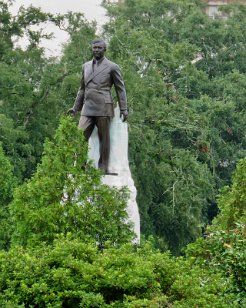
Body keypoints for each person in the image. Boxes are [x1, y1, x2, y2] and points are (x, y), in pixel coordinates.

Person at [68, 38, 128, 174]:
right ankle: (81, 166)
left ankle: (103, 168)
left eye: (99, 48)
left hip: (103, 107)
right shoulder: (86, 66)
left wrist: (124, 108)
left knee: (104, 139)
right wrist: (75, 108)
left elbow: (120, 89)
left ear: (104, 49)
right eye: (94, 48)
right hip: (87, 107)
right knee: (79, 137)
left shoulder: (113, 67)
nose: (96, 50)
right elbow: (82, 89)